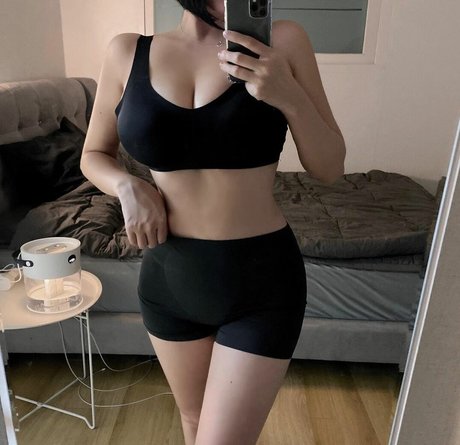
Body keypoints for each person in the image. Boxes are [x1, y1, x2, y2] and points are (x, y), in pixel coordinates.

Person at [80, 0, 346, 443]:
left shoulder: (283, 42)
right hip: (167, 280)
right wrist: (127, 186)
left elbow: (331, 167)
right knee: (193, 422)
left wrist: (289, 96)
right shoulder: (126, 51)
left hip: (260, 283)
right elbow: (93, 154)